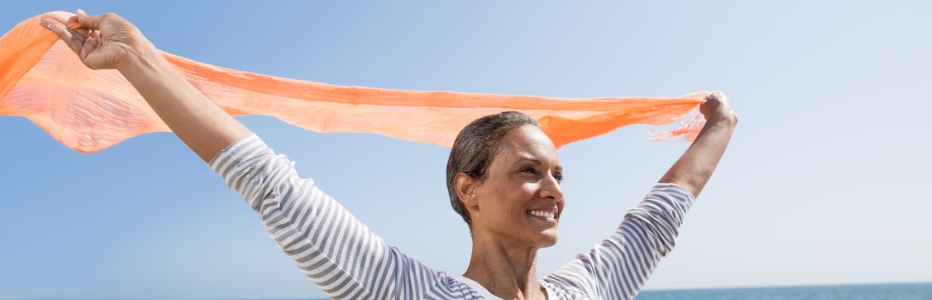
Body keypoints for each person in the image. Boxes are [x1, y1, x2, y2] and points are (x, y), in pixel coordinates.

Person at [42, 10, 737, 300]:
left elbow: (657, 219)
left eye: (557, 172)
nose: (553, 187)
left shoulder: (589, 289)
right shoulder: (408, 293)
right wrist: (137, 60)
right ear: (468, 190)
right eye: (528, 170)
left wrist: (719, 127)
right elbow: (271, 185)